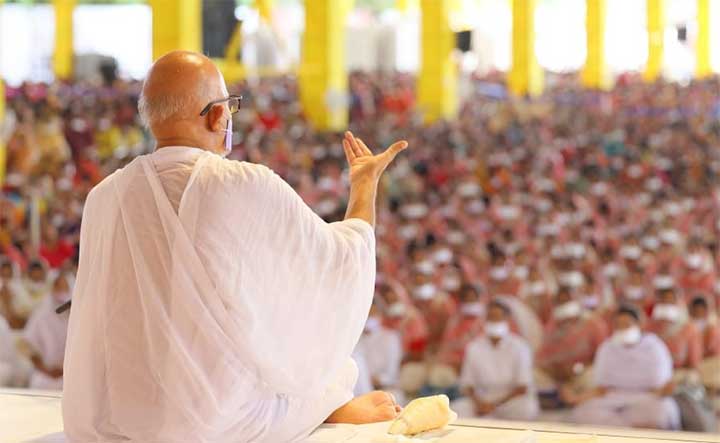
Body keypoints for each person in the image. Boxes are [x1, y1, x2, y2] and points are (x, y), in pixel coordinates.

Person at [62, 51, 408, 443]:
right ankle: (328, 409)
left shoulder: (103, 197)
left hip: (116, 417)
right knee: (334, 373)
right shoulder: (242, 185)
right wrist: (364, 186)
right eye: (230, 107)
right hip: (208, 424)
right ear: (216, 116)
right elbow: (339, 265)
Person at [571, 307, 680, 430]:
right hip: (612, 399)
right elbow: (601, 388)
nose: (622, 329)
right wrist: (579, 398)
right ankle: (627, 431)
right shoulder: (607, 348)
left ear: (639, 325)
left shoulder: (654, 347)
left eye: (626, 324)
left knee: (661, 411)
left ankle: (623, 430)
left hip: (647, 398)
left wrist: (664, 391)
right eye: (618, 325)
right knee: (583, 413)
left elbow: (661, 386)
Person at [454, 300, 539, 421]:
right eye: (491, 317)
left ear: (507, 320)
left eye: (498, 317)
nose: (494, 321)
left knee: (527, 409)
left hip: (510, 401)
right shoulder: (474, 347)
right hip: (483, 400)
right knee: (458, 409)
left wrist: (494, 405)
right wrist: (480, 404)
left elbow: (522, 387)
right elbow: (468, 385)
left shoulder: (520, 346)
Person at [20, 273, 72, 390]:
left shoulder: (76, 317)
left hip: (71, 373)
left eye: (65, 287)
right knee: (39, 383)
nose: (61, 291)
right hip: (44, 374)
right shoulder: (40, 316)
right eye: (57, 286)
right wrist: (46, 370)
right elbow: (28, 348)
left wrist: (66, 370)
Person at [645, 283, 702, 377]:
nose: (667, 303)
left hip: (679, 376)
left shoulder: (689, 329)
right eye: (663, 300)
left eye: (671, 300)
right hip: (652, 376)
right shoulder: (648, 328)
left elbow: (694, 363)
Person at [356, 303, 403, 391]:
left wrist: (380, 379)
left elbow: (392, 373)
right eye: (367, 313)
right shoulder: (355, 339)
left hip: (383, 388)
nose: (369, 317)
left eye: (372, 314)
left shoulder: (390, 337)